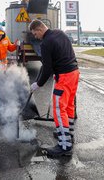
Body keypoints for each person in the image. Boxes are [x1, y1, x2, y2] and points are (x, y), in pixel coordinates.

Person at [29, 19, 80, 157]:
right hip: (74, 73)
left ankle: (65, 146)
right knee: (69, 106)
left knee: (58, 109)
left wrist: (38, 84)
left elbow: (47, 69)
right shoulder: (60, 33)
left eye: (35, 34)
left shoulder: (46, 43)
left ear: (39, 29)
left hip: (64, 77)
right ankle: (68, 134)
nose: (35, 37)